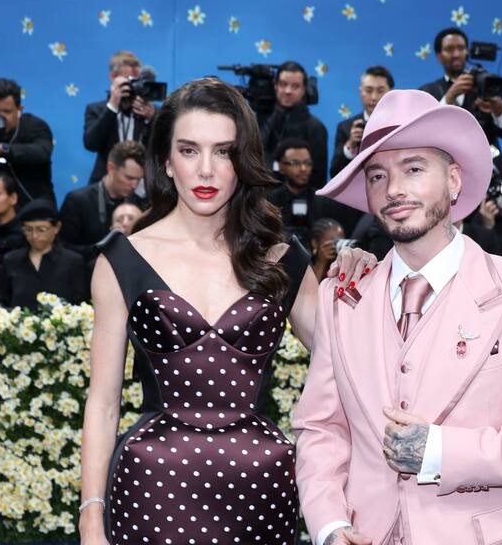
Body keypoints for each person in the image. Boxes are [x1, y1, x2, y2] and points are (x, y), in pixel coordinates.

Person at [78, 78, 377, 545]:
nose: (206, 170)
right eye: (189, 150)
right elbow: (103, 402)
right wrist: (91, 517)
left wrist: (366, 291)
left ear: (244, 161)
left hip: (262, 488)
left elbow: (354, 366)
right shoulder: (121, 260)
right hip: (153, 486)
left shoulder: (283, 257)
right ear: (165, 161)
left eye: (224, 151)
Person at [293, 90, 502, 545]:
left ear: (453, 180)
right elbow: (321, 428)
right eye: (376, 175)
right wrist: (329, 524)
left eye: (413, 169)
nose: (393, 190)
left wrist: (440, 450)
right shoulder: (341, 297)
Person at [419, 27, 502, 174]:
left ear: (467, 51)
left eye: (461, 48)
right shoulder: (427, 91)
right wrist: (450, 96)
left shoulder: (486, 84)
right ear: (439, 55)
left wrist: (498, 107)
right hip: (443, 170)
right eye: (449, 49)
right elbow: (424, 133)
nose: (456, 54)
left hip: (487, 171)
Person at [59, 140, 145, 262]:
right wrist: (103, 247)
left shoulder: (141, 204)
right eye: (129, 178)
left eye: (139, 179)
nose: (134, 185)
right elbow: (62, 249)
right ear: (111, 168)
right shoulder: (77, 201)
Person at [0, 199, 87, 310]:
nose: (34, 236)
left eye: (41, 230)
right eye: (28, 229)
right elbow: (3, 302)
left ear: (56, 227)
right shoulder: (11, 260)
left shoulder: (73, 262)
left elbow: (82, 306)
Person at [0, 78, 55, 204]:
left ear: (20, 109)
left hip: (35, 212)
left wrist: (2, 149)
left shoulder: (34, 126)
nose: (0, 117)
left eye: (7, 112)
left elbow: (42, 152)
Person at [83, 50, 156, 183]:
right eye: (127, 80)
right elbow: (91, 144)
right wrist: (112, 106)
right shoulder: (96, 109)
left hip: (144, 187)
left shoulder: (152, 111)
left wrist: (151, 118)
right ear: (112, 77)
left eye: (136, 81)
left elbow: (165, 147)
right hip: (107, 183)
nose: (132, 85)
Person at [262, 61, 329, 189]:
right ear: (275, 86)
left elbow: (318, 180)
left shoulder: (316, 128)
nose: (288, 91)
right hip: (259, 202)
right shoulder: (257, 121)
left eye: (295, 86)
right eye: (283, 84)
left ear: (304, 90)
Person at [330, 66, 395, 178]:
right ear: (361, 92)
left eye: (380, 91)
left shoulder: (402, 124)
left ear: (391, 93)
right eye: (368, 91)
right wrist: (350, 146)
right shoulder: (346, 127)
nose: (374, 97)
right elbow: (334, 174)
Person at [309, 218, 346, 282]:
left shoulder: (340, 263)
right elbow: (308, 289)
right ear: (314, 243)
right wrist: (321, 263)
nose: (336, 245)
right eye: (334, 241)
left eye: (340, 241)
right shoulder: (305, 262)